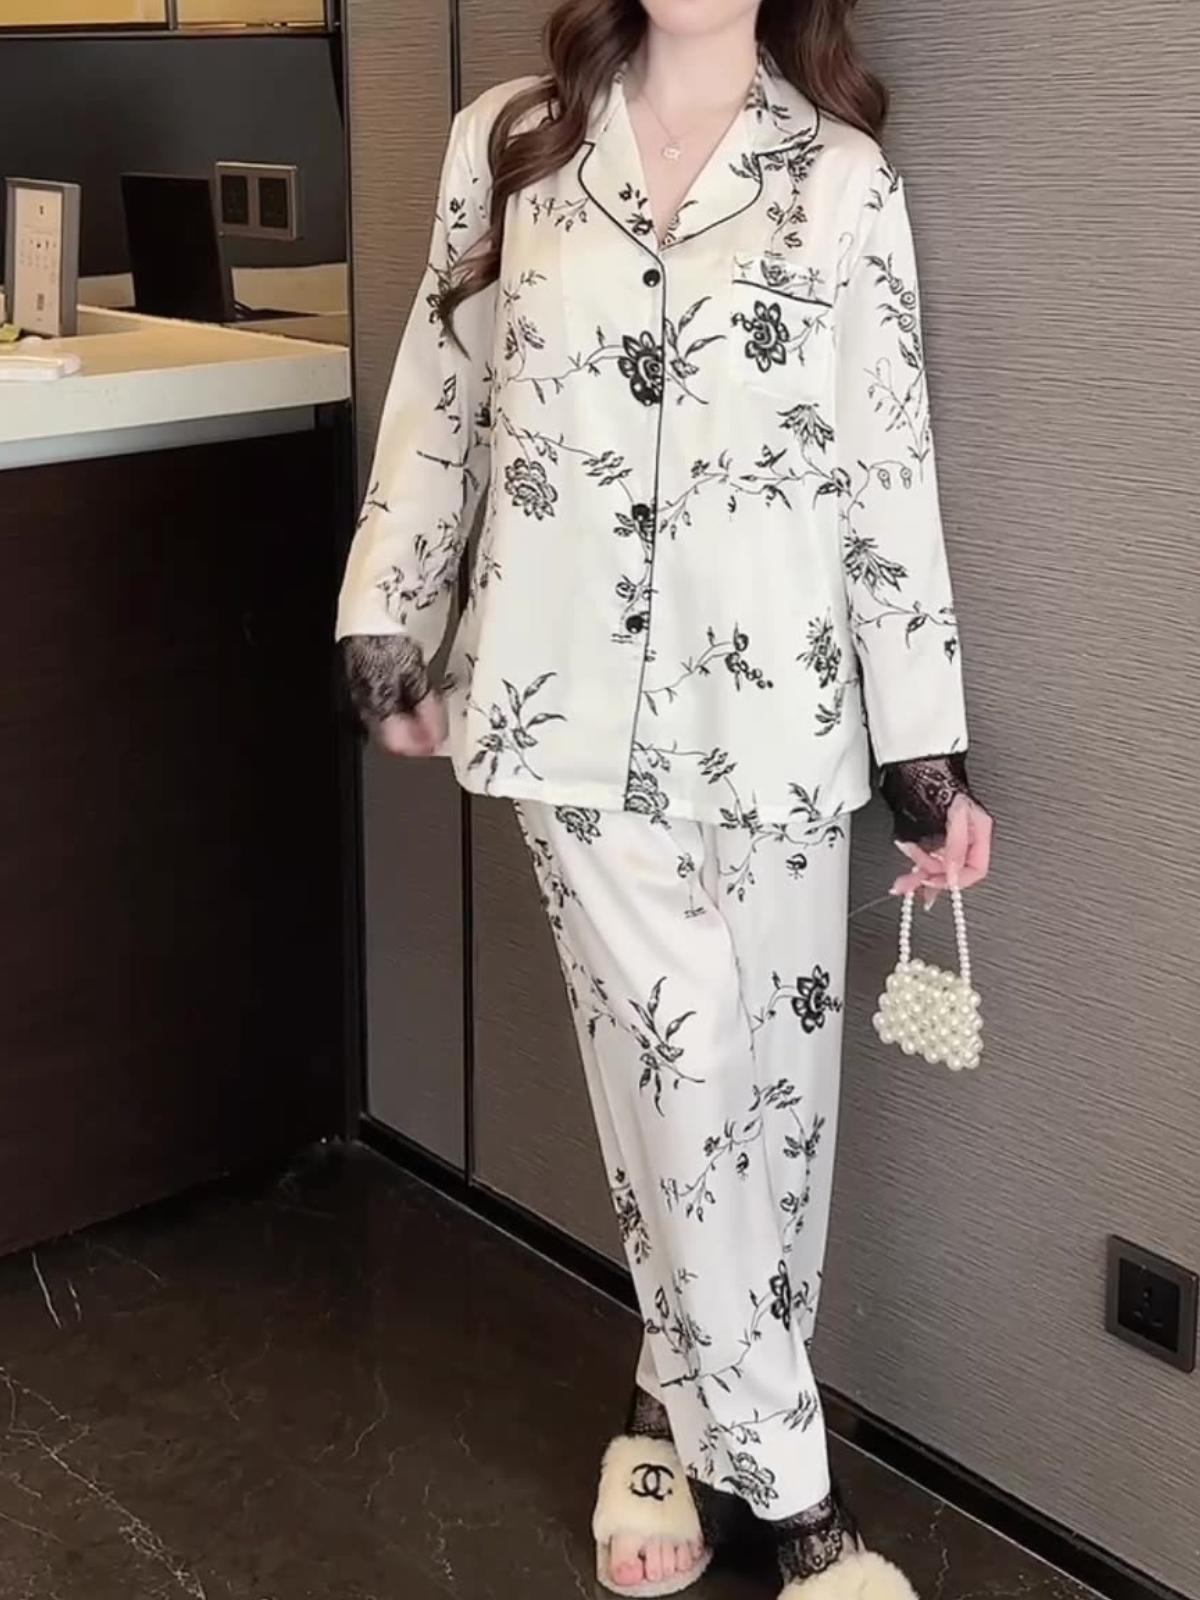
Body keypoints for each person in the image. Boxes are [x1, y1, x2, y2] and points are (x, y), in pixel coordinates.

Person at [337, 0, 994, 1593]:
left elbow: (884, 470)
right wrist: (386, 617)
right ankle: (801, 1502)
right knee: (687, 1061)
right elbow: (444, 390)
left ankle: (663, 1407)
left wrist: (925, 755)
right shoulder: (513, 140)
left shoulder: (841, 178)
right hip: (563, 701)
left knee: (774, 1106)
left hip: (782, 714)